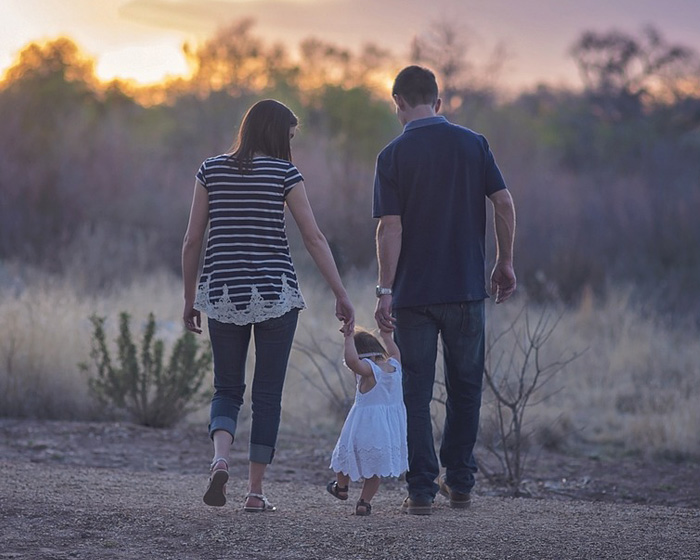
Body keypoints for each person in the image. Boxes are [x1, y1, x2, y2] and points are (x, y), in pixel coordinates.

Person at [182, 99, 354, 511]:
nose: (291, 144)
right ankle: (255, 493)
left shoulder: (210, 170)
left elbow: (191, 241)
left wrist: (190, 299)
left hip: (222, 293)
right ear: (277, 134)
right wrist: (341, 293)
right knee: (268, 396)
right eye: (290, 136)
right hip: (276, 294)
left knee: (226, 387)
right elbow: (314, 238)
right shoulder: (284, 173)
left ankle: (220, 459)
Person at [372, 66, 516, 515]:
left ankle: (420, 491)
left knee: (415, 391)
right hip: (467, 290)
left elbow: (389, 228)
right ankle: (461, 482)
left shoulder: (392, 155)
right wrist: (504, 261)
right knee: (466, 387)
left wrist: (384, 289)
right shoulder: (474, 144)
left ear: (397, 102)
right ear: (438, 101)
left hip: (414, 296)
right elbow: (504, 202)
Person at [327, 327, 408, 516]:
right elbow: (395, 352)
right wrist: (387, 336)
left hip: (364, 427)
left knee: (344, 456)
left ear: (362, 355)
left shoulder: (369, 371)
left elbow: (352, 361)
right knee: (375, 469)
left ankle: (341, 487)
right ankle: (364, 502)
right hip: (387, 430)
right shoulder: (395, 366)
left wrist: (348, 339)